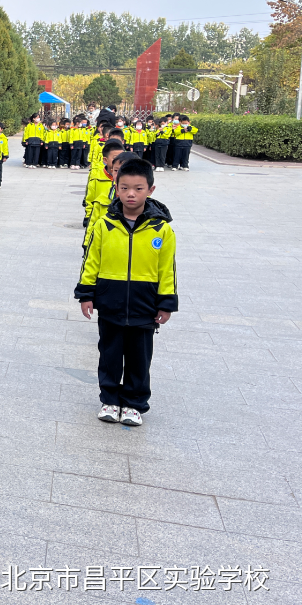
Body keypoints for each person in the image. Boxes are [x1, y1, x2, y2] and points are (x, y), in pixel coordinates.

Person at [76, 158, 177, 427]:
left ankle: (134, 403)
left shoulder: (162, 230)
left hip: (145, 305)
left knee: (139, 358)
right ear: (116, 188)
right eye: (125, 188)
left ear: (151, 190)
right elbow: (91, 262)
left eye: (138, 188)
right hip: (111, 301)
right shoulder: (104, 225)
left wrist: (166, 303)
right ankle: (109, 399)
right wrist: (86, 294)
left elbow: (167, 269)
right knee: (109, 354)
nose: (131, 194)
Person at [82, 139, 125, 239]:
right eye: (115, 158)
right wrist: (88, 216)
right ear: (105, 160)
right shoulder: (97, 177)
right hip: (102, 223)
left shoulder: (130, 180)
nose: (120, 162)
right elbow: (90, 200)